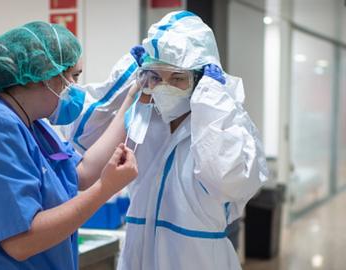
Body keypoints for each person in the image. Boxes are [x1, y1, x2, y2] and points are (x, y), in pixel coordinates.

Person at [60, 11, 268, 270]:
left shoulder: (223, 123)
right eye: (156, 76)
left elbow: (230, 181)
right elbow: (82, 136)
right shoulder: (144, 114)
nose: (164, 87)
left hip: (198, 260)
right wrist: (127, 81)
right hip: (138, 255)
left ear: (201, 79)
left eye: (177, 78)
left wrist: (212, 106)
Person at [0, 21, 138, 270]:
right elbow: (21, 242)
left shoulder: (28, 121)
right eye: (72, 76)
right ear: (43, 76)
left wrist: (133, 101)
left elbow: (81, 173)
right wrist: (106, 188)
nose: (75, 88)